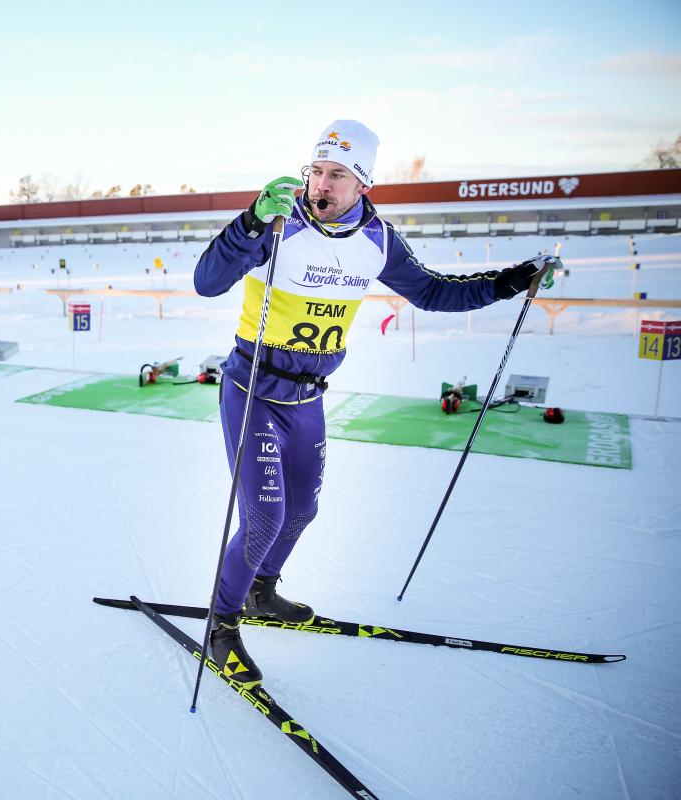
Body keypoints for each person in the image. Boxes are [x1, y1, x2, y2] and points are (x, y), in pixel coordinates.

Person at [194, 120, 548, 689]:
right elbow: (206, 282)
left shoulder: (377, 240)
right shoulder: (276, 224)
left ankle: (261, 592)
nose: (321, 186)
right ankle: (222, 624)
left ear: (364, 184)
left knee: (302, 510)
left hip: (307, 396)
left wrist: (506, 283)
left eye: (337, 175)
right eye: (316, 171)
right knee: (263, 516)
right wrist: (251, 220)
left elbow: (434, 292)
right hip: (253, 388)